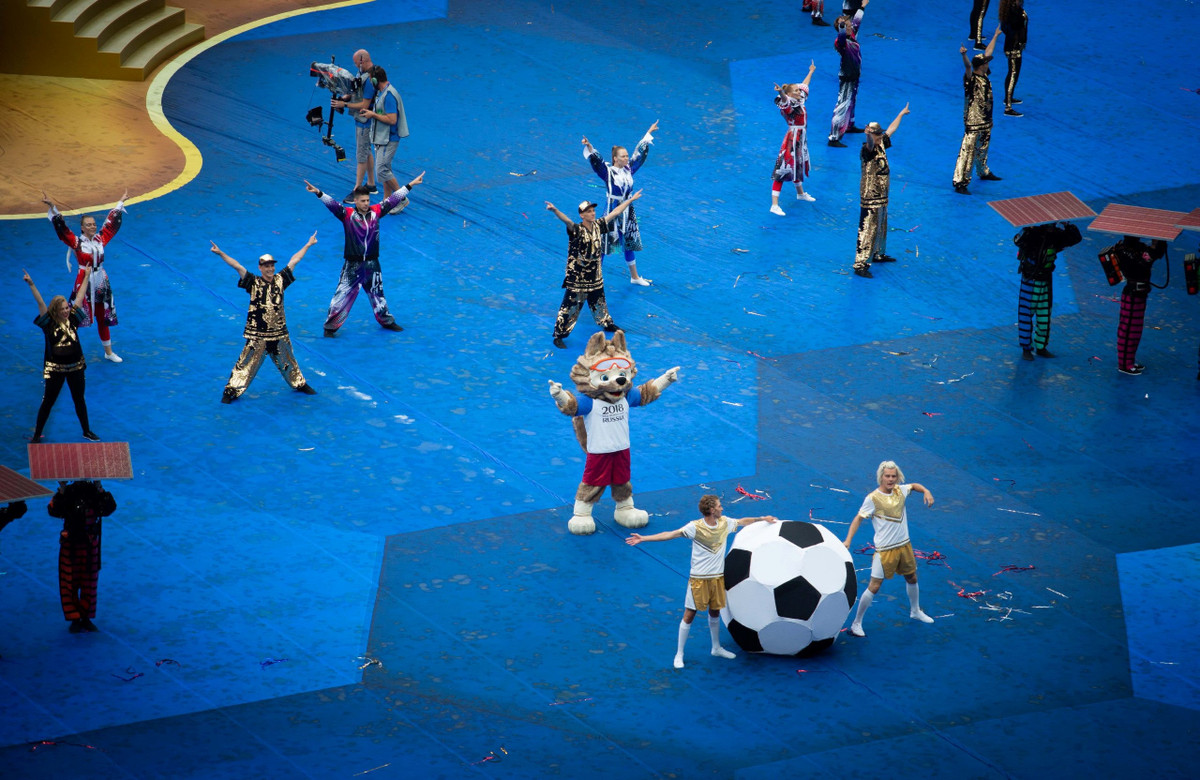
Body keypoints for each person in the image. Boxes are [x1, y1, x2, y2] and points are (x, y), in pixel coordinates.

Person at [627, 495, 778, 669]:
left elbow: (743, 521)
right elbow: (670, 534)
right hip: (698, 580)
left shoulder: (725, 523)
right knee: (689, 615)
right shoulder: (695, 527)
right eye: (720, 506)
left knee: (714, 613)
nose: (722, 508)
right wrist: (644, 538)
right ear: (712, 510)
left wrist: (762, 519)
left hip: (717, 578)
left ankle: (716, 647)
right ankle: (680, 653)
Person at [303, 172, 424, 336]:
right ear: (355, 201)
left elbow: (394, 199)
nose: (366, 203)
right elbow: (332, 204)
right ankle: (330, 327)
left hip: (373, 264)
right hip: (353, 265)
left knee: (378, 295)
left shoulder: (377, 211)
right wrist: (318, 193)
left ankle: (387, 321)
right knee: (341, 296)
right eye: (363, 201)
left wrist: (410, 185)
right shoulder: (346, 215)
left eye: (368, 200)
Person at [212, 232, 320, 403]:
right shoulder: (253, 282)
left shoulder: (280, 280)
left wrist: (308, 245)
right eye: (266, 266)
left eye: (272, 265)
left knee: (288, 360)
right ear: (260, 268)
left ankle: (299, 384)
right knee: (245, 363)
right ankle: (231, 390)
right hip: (258, 334)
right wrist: (221, 253)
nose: (270, 268)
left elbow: (294, 260)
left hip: (279, 333)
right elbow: (237, 266)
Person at [843, 461, 936, 637]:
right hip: (885, 550)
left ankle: (915, 611)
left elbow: (914, 486)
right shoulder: (872, 498)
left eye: (894, 476)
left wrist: (926, 491)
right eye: (887, 476)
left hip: (904, 546)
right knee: (874, 586)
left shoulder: (901, 490)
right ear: (881, 477)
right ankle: (856, 623)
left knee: (912, 577)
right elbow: (858, 518)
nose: (891, 479)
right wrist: (848, 540)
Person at [546, 193, 642, 348]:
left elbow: (616, 212)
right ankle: (559, 335)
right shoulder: (576, 230)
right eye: (589, 211)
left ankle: (607, 323)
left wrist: (630, 200)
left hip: (595, 276)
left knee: (599, 302)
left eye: (593, 211)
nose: (592, 213)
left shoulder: (598, 226)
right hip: (578, 278)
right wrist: (555, 210)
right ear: (582, 215)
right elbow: (567, 221)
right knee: (569, 307)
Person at [42, 190, 127, 363]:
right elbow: (63, 230)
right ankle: (63, 348)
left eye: (94, 224)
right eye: (88, 224)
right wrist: (53, 207)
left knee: (103, 317)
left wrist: (120, 203)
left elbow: (111, 226)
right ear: (82, 227)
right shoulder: (77, 243)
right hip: (84, 281)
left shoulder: (100, 239)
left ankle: (108, 352)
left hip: (101, 281)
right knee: (74, 316)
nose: (92, 226)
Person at [24, 267, 99, 442]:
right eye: (63, 309)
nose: (66, 311)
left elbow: (79, 298)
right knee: (48, 402)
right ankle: (37, 435)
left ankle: (86, 430)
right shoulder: (48, 323)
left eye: (67, 308)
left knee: (79, 400)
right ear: (55, 311)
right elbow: (41, 303)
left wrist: (86, 276)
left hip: (76, 367)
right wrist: (32, 284)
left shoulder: (72, 319)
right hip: (55, 370)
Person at [582, 121, 658, 286]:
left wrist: (648, 133)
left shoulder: (629, 169)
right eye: (623, 156)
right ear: (615, 158)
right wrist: (589, 147)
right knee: (602, 245)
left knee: (628, 241)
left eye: (626, 156)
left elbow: (640, 154)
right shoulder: (608, 173)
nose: (626, 158)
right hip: (612, 210)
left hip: (627, 210)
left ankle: (635, 277)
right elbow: (596, 162)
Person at [48, 480, 115, 633]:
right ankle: (74, 618)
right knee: (69, 581)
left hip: (90, 544)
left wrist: (99, 487)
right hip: (71, 543)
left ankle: (85, 617)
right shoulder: (68, 492)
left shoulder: (94, 491)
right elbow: (53, 510)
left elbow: (109, 508)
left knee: (90, 582)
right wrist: (62, 489)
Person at [853, 103, 910, 278]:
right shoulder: (867, 149)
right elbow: (870, 143)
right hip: (870, 195)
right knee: (867, 227)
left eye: (879, 135)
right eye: (876, 135)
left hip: (882, 195)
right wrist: (869, 134)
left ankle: (878, 252)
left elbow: (891, 130)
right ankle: (860, 263)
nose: (879, 137)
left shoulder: (882, 143)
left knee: (881, 226)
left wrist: (900, 114)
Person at [1014, 221, 1082, 360]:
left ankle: (1041, 347)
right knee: (1026, 315)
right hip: (1030, 279)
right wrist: (1030, 229)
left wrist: (1068, 225)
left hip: (1045, 280)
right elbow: (1017, 240)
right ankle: (1026, 349)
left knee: (1044, 315)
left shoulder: (1055, 236)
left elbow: (1075, 238)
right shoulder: (1031, 233)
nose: (1052, 226)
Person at [953, 28, 1003, 195]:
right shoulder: (971, 79)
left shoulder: (985, 74)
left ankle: (983, 171)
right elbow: (967, 66)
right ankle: (960, 181)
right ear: (981, 66)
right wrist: (963, 55)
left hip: (986, 120)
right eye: (986, 62)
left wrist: (995, 36)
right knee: (967, 151)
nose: (988, 64)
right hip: (973, 122)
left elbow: (988, 51)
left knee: (983, 148)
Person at [1113, 235, 1169, 376]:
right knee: (1127, 331)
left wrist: (1159, 243)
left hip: (1139, 294)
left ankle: (1129, 361)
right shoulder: (1124, 250)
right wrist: (1155, 246)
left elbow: (1154, 255)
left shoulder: (1136, 248)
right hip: (1132, 294)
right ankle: (1124, 364)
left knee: (1135, 331)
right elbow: (1146, 260)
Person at [330, 49, 378, 202]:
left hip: (365, 121)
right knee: (366, 150)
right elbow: (356, 91)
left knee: (361, 155)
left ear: (362, 60)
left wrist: (344, 104)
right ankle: (371, 184)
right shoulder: (361, 73)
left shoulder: (370, 78)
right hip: (361, 120)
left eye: (356, 62)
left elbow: (365, 103)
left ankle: (358, 189)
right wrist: (345, 98)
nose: (355, 65)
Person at [771, 62, 818, 217]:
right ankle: (774, 204)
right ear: (790, 94)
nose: (800, 91)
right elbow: (784, 101)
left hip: (801, 138)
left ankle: (800, 193)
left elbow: (804, 85)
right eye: (796, 91)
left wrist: (810, 71)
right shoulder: (789, 105)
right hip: (792, 139)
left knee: (797, 166)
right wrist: (782, 93)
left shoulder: (800, 99)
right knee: (783, 168)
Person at [358, 65, 410, 202]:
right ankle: (387, 199)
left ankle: (401, 199)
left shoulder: (389, 96)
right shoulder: (384, 93)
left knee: (381, 170)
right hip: (382, 138)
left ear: (375, 81)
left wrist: (373, 114)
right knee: (385, 169)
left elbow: (392, 120)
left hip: (389, 139)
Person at [828, 0, 868, 147]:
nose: (851, 27)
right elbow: (842, 35)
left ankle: (849, 126)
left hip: (854, 77)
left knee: (851, 102)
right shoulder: (841, 42)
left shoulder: (853, 35)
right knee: (842, 106)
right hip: (846, 78)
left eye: (850, 25)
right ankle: (833, 138)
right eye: (847, 26)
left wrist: (862, 7)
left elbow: (857, 21)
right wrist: (842, 26)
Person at [998, 0, 1027, 116]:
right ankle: (1008, 107)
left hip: (1014, 45)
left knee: (1012, 73)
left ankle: (1008, 97)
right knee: (1013, 73)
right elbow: (1014, 27)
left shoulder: (1011, 10)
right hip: (1013, 46)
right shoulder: (1013, 12)